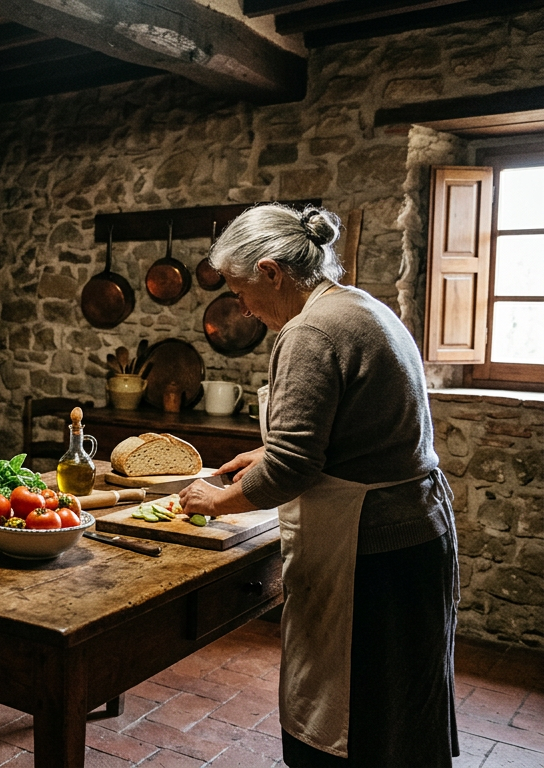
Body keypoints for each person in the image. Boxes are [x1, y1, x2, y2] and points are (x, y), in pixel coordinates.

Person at [178, 204, 458, 767]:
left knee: (356, 725)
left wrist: (216, 499)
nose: (244, 308)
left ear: (271, 272)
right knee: (404, 720)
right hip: (416, 531)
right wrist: (266, 450)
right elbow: (360, 429)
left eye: (241, 291)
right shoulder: (358, 306)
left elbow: (294, 467)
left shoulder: (308, 331)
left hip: (371, 552)